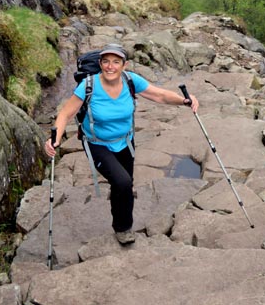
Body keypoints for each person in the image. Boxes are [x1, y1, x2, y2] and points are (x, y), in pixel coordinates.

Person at [44, 43, 199, 245]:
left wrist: (184, 101)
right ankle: (123, 228)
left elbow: (159, 95)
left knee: (125, 183)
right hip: (97, 143)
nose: (110, 66)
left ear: (124, 65)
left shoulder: (130, 80)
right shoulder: (88, 85)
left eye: (116, 62)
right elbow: (66, 113)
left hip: (125, 141)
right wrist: (55, 139)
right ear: (100, 64)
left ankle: (119, 197)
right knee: (123, 182)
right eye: (106, 61)